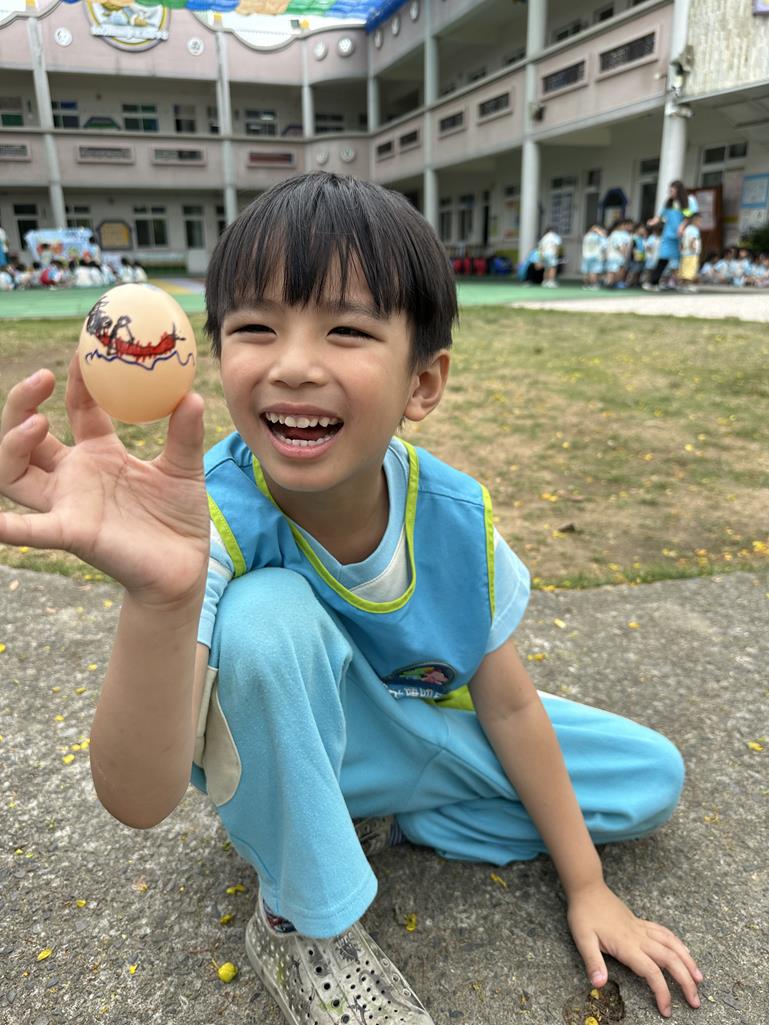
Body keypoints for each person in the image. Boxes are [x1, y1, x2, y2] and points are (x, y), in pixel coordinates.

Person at [0, 172, 702, 1025]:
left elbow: (509, 705)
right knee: (266, 619)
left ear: (422, 384)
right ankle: (302, 919)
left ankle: (371, 819)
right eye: (255, 327)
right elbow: (138, 799)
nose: (294, 364)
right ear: (216, 356)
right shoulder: (205, 521)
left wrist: (586, 884)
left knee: (648, 780)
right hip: (289, 743)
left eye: (346, 329)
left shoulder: (453, 519)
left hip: (409, 731)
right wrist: (159, 598)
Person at [643, 181, 698, 291]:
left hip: (683, 236)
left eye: (672, 191)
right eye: (670, 191)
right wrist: (652, 221)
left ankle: (684, 284)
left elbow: (689, 216)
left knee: (685, 259)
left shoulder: (689, 201)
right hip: (669, 235)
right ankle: (653, 282)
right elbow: (659, 216)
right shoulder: (669, 203)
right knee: (663, 258)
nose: (670, 193)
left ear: (679, 191)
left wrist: (682, 227)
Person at [678, 213, 702, 293]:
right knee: (690, 271)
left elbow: (682, 241)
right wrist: (694, 249)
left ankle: (682, 285)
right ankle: (687, 286)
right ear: (695, 220)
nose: (700, 223)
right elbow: (693, 240)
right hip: (691, 254)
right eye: (699, 221)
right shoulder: (694, 230)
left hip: (685, 253)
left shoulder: (687, 229)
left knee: (684, 270)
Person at [604, 218, 631, 288]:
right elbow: (620, 246)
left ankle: (612, 283)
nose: (625, 227)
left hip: (615, 256)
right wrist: (624, 254)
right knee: (612, 271)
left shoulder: (617, 234)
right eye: (624, 225)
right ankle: (610, 283)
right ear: (619, 225)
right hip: (615, 256)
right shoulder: (615, 234)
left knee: (614, 270)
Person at [580, 223, 606, 289]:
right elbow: (604, 245)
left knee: (586, 271)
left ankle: (585, 285)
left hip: (586, 256)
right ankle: (594, 285)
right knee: (593, 271)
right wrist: (602, 234)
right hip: (596, 256)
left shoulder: (587, 236)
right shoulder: (599, 236)